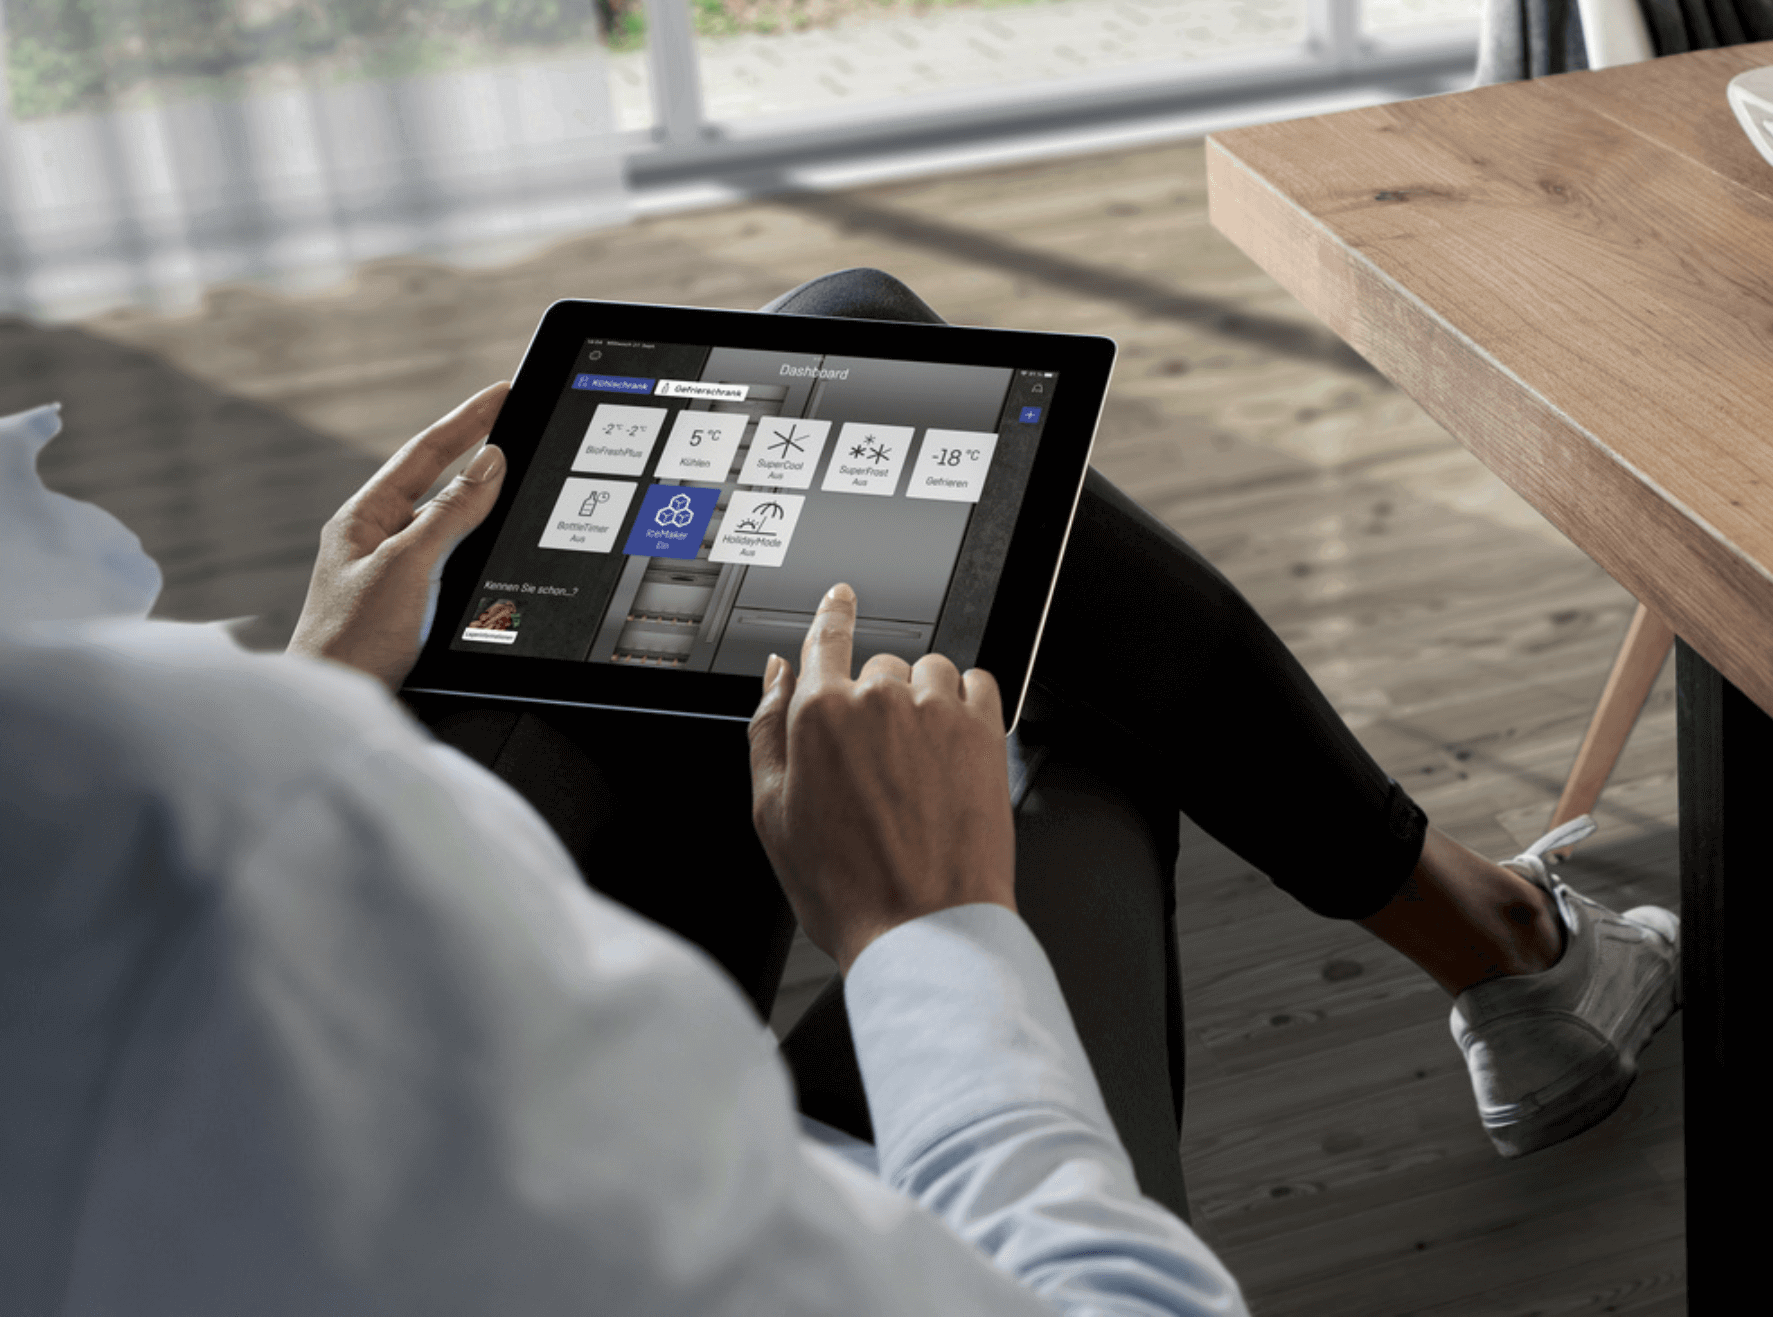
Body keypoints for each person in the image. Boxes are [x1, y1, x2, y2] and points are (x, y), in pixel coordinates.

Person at [0, 268, 1680, 1316]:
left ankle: (1492, 938)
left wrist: (318, 689)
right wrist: (926, 931)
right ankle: (1500, 944)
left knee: (843, 354)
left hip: (313, 1003)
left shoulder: (109, 820)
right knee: (1040, 684)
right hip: (478, 1158)